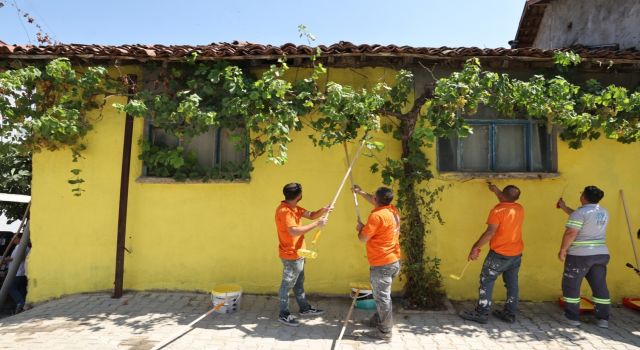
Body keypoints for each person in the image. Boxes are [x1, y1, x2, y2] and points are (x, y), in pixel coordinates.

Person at [460, 183, 524, 324]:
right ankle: (509, 313)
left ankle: (482, 313)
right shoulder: (519, 209)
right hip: (516, 253)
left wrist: (475, 247)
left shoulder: (497, 210)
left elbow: (490, 232)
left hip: (499, 254)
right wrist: (495, 190)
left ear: (504, 195)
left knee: (487, 281)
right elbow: (506, 200)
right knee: (512, 284)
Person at [275, 182, 331, 327]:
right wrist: (317, 225)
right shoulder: (285, 211)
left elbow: (311, 215)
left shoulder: (294, 208)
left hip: (299, 253)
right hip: (290, 254)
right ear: (299, 195)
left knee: (299, 282)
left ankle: (304, 308)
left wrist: (323, 210)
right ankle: (283, 314)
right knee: (287, 285)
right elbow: (293, 231)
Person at [557, 185, 610, 328]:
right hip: (601, 253)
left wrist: (563, 250)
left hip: (580, 255)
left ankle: (572, 317)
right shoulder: (603, 212)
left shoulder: (580, 213)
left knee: (571, 285)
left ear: (583, 197)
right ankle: (603, 319)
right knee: (599, 285)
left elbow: (571, 233)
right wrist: (564, 207)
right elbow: (584, 219)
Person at [353, 185, 401, 341]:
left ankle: (385, 332)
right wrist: (360, 193)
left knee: (382, 298)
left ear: (376, 199)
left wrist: (360, 229)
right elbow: (375, 201)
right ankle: (378, 321)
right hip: (393, 261)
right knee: (382, 296)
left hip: (382, 264)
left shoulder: (376, 217)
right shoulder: (393, 210)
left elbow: (363, 238)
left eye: (373, 197)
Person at [3, 233, 30, 314]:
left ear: (19, 238)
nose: (12, 239)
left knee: (10, 287)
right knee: (21, 290)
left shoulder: (20, 246)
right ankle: (21, 306)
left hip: (18, 272)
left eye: (14, 238)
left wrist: (6, 259)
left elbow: (19, 257)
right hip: (21, 272)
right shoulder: (21, 247)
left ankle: (22, 304)